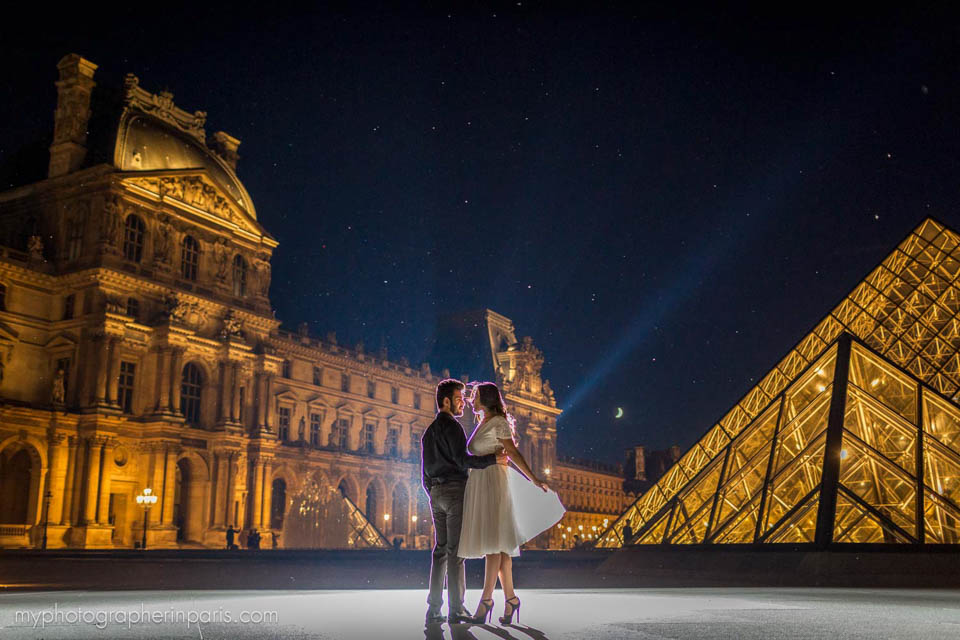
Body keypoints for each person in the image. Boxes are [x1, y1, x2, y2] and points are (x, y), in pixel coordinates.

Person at [459, 382, 566, 625]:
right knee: (501, 545)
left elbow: (514, 453)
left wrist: (535, 478)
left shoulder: (498, 422)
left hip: (493, 483)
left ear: (485, 398)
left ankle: (486, 600)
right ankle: (511, 600)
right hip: (482, 480)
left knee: (493, 543)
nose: (470, 400)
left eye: (474, 396)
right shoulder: (483, 422)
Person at [422, 378, 507, 626]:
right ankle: (457, 608)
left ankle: (434, 609)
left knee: (440, 551)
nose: (463, 404)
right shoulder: (454, 427)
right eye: (459, 399)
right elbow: (463, 460)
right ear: (446, 401)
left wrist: (432, 491)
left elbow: (424, 471)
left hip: (435, 492)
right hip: (455, 491)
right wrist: (493, 459)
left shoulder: (428, 432)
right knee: (455, 553)